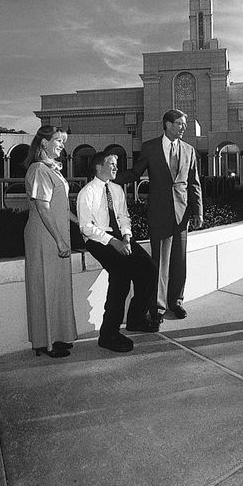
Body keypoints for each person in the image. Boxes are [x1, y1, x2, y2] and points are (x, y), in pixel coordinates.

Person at [115, 109, 203, 325]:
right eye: (180, 124)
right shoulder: (150, 147)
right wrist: (110, 178)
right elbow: (135, 173)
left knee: (179, 260)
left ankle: (177, 301)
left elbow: (194, 183)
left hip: (182, 214)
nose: (184, 127)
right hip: (159, 213)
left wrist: (198, 211)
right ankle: (158, 307)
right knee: (160, 261)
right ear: (168, 124)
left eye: (185, 124)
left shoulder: (189, 150)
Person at [77, 150, 159, 353]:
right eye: (111, 164)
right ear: (98, 167)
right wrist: (113, 242)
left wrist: (127, 237)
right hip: (98, 238)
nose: (116, 167)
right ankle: (108, 334)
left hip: (120, 237)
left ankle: (136, 319)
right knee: (121, 275)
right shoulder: (87, 192)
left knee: (148, 268)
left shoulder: (117, 190)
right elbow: (86, 227)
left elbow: (124, 217)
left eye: (116, 164)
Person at [23, 125, 78, 358]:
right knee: (44, 286)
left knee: (57, 287)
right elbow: (43, 208)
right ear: (43, 143)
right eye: (57, 140)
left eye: (63, 141)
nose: (61, 145)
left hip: (56, 235)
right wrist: (59, 240)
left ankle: (57, 337)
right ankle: (44, 343)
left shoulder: (53, 170)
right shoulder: (38, 169)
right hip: (45, 236)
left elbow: (61, 208)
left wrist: (82, 225)